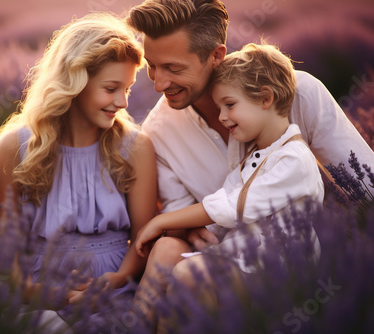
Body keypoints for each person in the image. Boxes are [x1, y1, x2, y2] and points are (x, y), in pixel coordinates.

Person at [125, 0, 374, 287]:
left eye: (173, 68)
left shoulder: (299, 93)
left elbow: (364, 183)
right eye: (152, 66)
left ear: (216, 55)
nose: (158, 84)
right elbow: (178, 216)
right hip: (221, 256)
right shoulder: (159, 128)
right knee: (168, 253)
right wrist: (187, 229)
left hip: (290, 264)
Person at [0, 12, 157, 327]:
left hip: (115, 294)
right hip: (37, 294)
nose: (122, 102)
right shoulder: (16, 145)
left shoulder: (136, 147)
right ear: (74, 81)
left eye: (128, 89)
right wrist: (42, 293)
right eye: (111, 88)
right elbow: (5, 250)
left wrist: (119, 278)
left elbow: (143, 241)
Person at [134, 42, 323, 299]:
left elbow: (234, 207)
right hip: (240, 258)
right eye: (220, 108)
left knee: (187, 274)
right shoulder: (255, 155)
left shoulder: (294, 160)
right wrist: (189, 232)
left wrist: (161, 221)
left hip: (278, 272)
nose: (222, 117)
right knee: (165, 253)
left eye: (229, 105)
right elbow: (223, 205)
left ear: (266, 98)